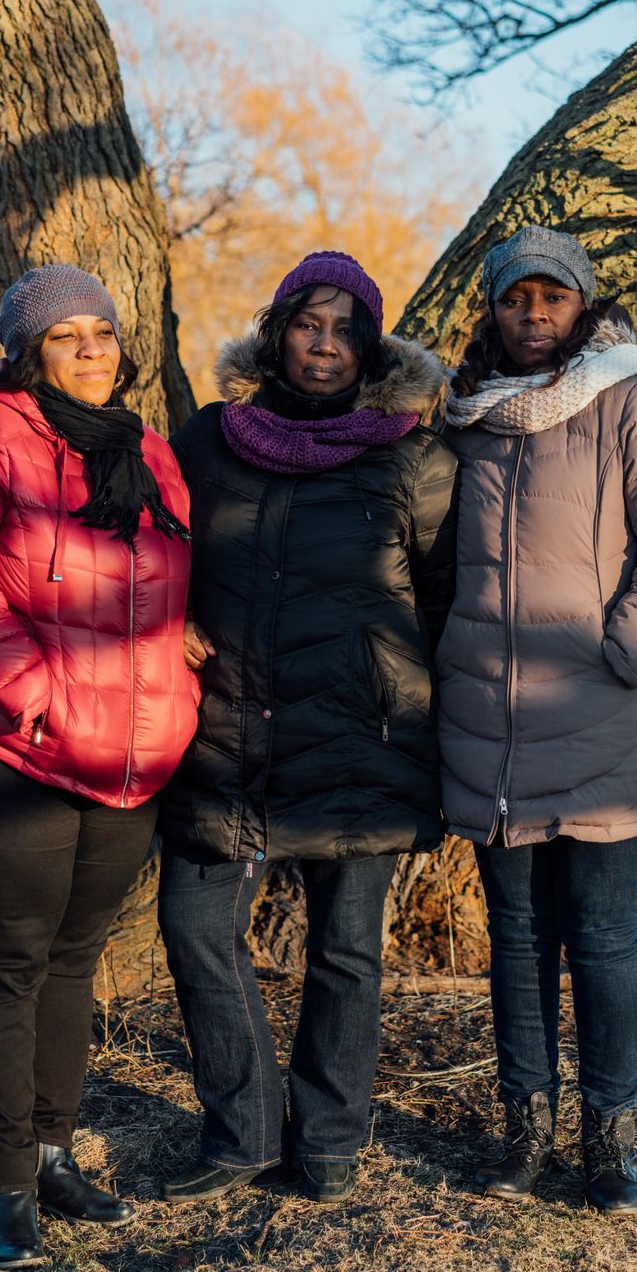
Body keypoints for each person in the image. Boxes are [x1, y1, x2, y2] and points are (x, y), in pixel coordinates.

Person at [0, 265, 199, 1269]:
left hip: (133, 752)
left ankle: (54, 1151)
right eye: (68, 334)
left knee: (75, 959)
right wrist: (29, 686)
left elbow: (173, 571)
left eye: (105, 331)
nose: (92, 348)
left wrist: (186, 641)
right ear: (29, 349)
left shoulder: (148, 449)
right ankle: (4, 1181)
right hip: (19, 749)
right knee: (11, 959)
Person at [157, 251, 457, 1206]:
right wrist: (174, 622)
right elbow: (149, 555)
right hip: (226, 732)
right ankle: (241, 1129)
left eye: (344, 329)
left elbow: (451, 607)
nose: (322, 344)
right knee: (196, 926)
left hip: (362, 737)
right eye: (306, 323)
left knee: (344, 948)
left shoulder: (412, 454)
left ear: (368, 347)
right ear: (277, 330)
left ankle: (327, 1142)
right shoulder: (209, 441)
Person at [437, 226, 637, 1215]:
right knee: (516, 937)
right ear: (494, 309)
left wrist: (627, 650)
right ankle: (526, 1132)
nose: (534, 315)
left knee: (599, 936)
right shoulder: (464, 418)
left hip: (601, 720)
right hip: (489, 725)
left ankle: (610, 1139)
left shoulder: (633, 403)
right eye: (517, 299)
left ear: (583, 306)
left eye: (553, 298)